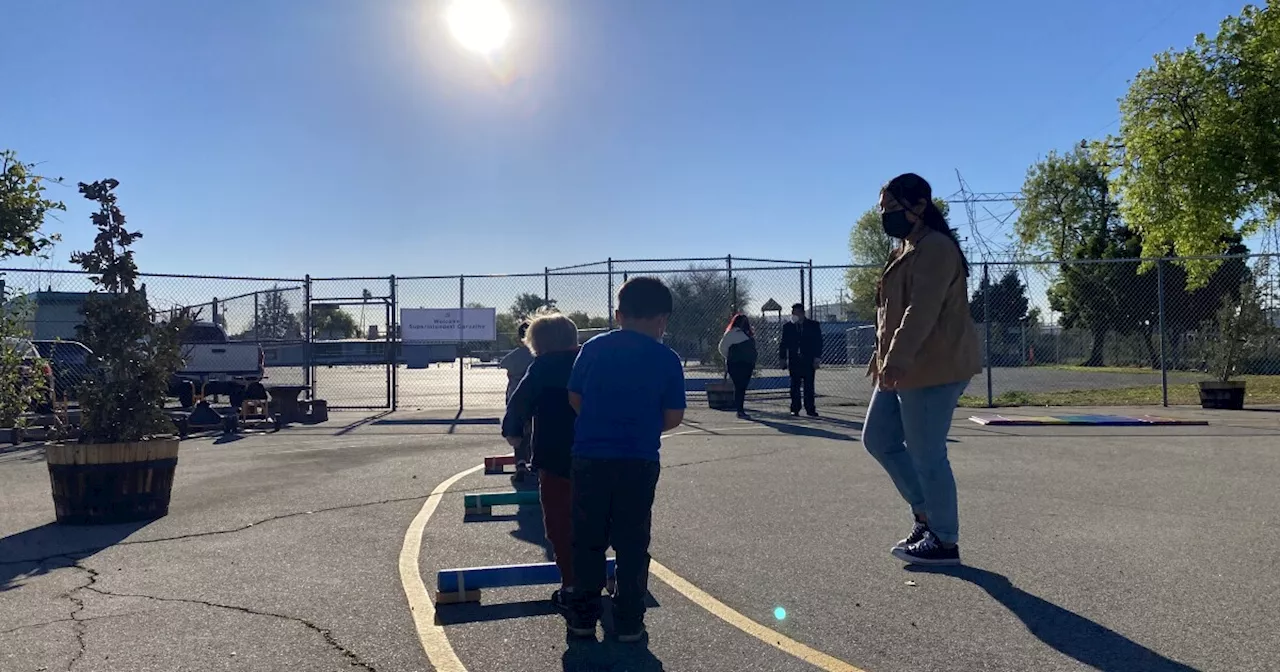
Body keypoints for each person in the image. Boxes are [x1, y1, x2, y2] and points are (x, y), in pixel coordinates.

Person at [861, 172, 981, 566]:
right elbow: (890, 312)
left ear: (919, 206)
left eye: (892, 208)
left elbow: (921, 310)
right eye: (882, 209)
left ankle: (945, 541)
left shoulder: (936, 248)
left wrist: (896, 357)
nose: (885, 216)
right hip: (900, 364)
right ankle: (926, 514)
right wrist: (881, 355)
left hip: (933, 367)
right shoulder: (905, 248)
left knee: (928, 455)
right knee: (878, 438)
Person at [566, 276, 685, 642]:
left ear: (618, 314)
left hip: (590, 457)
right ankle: (630, 619)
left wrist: (601, 423)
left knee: (587, 538)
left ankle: (583, 617)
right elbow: (673, 416)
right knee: (632, 540)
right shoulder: (666, 358)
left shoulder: (594, 348)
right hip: (638, 459)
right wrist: (642, 427)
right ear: (663, 319)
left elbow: (575, 397)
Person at [500, 313, 581, 612]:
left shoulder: (542, 367)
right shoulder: (589, 362)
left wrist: (513, 432)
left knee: (559, 521)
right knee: (593, 518)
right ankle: (594, 572)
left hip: (555, 454)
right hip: (596, 454)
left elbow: (519, 402)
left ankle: (572, 584)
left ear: (538, 345)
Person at [499, 321, 535, 481]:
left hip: (514, 398)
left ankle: (520, 463)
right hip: (533, 399)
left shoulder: (514, 356)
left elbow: (506, 367)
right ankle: (533, 463)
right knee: (534, 430)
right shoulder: (538, 355)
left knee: (518, 431)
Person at [779, 303, 823, 417]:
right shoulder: (788, 327)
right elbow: (783, 344)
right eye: (793, 313)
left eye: (796, 313)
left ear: (802, 313)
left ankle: (810, 409)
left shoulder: (813, 325)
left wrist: (817, 358)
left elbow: (818, 342)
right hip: (794, 360)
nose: (794, 315)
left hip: (808, 360)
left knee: (809, 385)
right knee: (795, 386)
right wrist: (782, 358)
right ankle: (795, 408)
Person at [717, 313, 758, 419]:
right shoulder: (735, 333)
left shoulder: (741, 333)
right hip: (740, 364)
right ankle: (740, 409)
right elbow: (722, 348)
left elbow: (722, 348)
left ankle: (740, 409)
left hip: (742, 364)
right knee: (740, 387)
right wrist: (731, 357)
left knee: (740, 387)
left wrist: (730, 357)